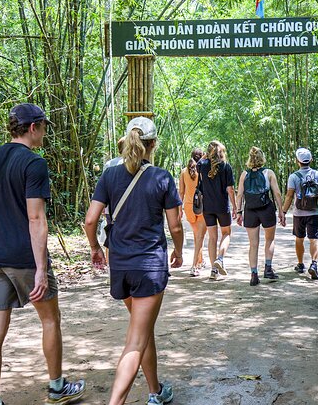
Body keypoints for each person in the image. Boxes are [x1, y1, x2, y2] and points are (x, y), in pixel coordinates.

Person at [0, 103, 86, 405]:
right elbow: (36, 219)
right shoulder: (34, 164)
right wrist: (40, 269)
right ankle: (57, 387)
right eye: (44, 126)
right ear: (33, 127)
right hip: (24, 258)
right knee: (50, 320)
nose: (45, 132)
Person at [84, 116, 184, 405]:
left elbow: (91, 220)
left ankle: (155, 392)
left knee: (142, 330)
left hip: (121, 265)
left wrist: (95, 248)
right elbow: (175, 226)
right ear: (153, 145)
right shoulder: (162, 177)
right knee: (135, 341)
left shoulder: (109, 176)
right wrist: (178, 251)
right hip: (149, 266)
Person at [235, 146, 286, 286]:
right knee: (269, 239)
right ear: (262, 158)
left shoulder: (244, 174)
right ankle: (268, 269)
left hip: (250, 210)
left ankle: (253, 274)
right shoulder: (269, 173)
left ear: (250, 159)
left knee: (253, 244)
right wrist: (281, 211)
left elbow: (239, 194)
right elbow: (277, 193)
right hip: (266, 209)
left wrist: (239, 212)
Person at [281, 147, 318, 280]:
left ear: (297, 161)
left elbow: (289, 196)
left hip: (299, 213)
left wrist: (283, 212)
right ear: (310, 160)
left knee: (299, 238)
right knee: (314, 239)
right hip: (314, 212)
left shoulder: (294, 176)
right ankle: (314, 264)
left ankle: (300, 264)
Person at [197, 140, 236, 280]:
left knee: (212, 237)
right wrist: (235, 207)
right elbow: (230, 190)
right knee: (226, 233)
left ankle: (214, 271)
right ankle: (220, 258)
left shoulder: (202, 165)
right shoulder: (226, 166)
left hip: (207, 207)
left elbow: (198, 164)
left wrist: (205, 157)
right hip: (222, 206)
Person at [178, 148, 207, 277]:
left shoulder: (184, 172)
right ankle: (195, 266)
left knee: (197, 235)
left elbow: (181, 192)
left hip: (189, 207)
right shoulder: (203, 171)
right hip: (201, 206)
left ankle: (200, 260)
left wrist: (180, 209)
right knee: (200, 237)